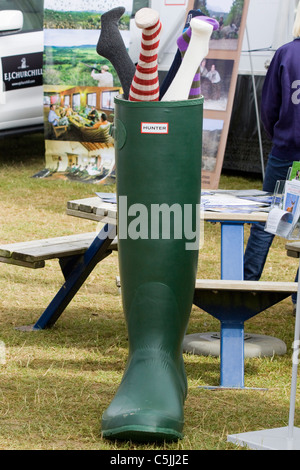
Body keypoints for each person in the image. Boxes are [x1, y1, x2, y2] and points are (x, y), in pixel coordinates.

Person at [244, 3, 300, 311]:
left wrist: (279, 135)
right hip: (287, 150)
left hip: (284, 151)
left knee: (268, 219)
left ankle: (246, 284)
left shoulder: (285, 53)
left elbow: (269, 108)